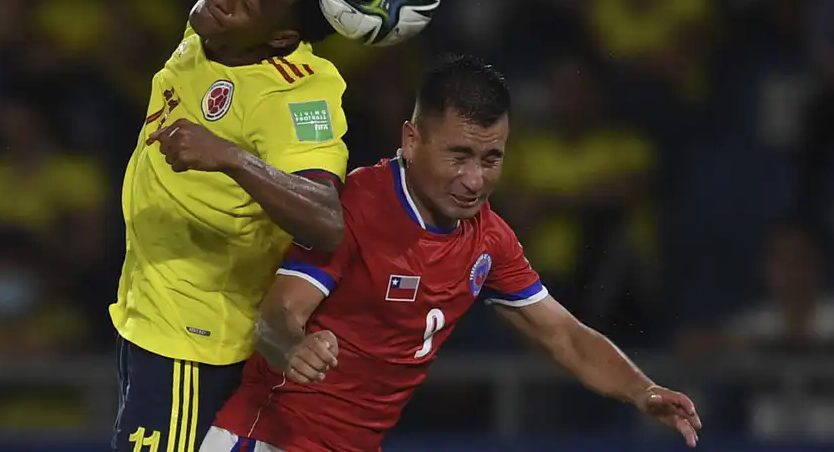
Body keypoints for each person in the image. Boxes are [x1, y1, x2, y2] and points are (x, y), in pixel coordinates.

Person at [202, 54, 703, 452]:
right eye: (458, 156)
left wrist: (643, 391)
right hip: (268, 439)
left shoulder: (488, 239)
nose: (474, 179)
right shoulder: (354, 208)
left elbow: (563, 335)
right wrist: (293, 348)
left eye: (491, 159)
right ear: (412, 140)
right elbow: (277, 315)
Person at [109, 0, 355, 452]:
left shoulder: (296, 98)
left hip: (198, 347)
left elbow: (326, 221)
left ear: (282, 36)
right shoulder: (210, 31)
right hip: (149, 318)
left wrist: (232, 157)